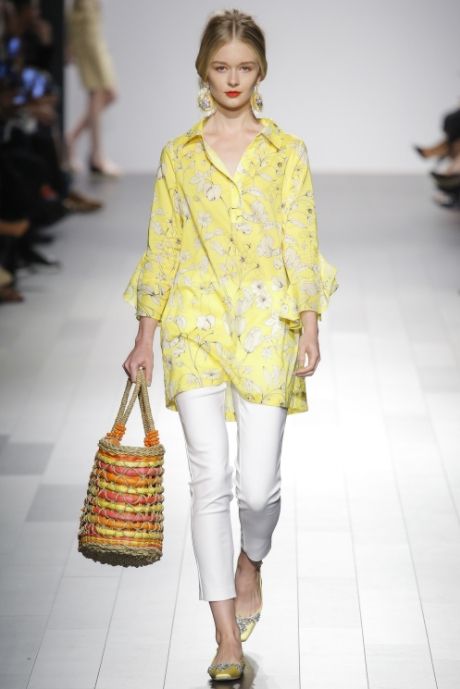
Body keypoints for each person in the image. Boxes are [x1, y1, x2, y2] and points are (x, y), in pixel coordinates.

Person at [122, 9, 338, 682]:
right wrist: (145, 335)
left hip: (266, 326)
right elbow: (163, 246)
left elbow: (301, 240)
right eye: (221, 67)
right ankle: (224, 635)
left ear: (261, 71)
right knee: (208, 479)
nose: (233, 79)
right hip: (194, 326)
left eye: (245, 67)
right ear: (203, 71)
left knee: (258, 488)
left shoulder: (287, 153)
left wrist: (310, 321)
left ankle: (252, 561)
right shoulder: (179, 155)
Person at [65, 0, 120, 177]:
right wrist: (71, 42)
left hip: (93, 34)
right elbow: (78, 10)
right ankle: (96, 155)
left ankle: (72, 139)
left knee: (107, 94)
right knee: (98, 92)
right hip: (87, 36)